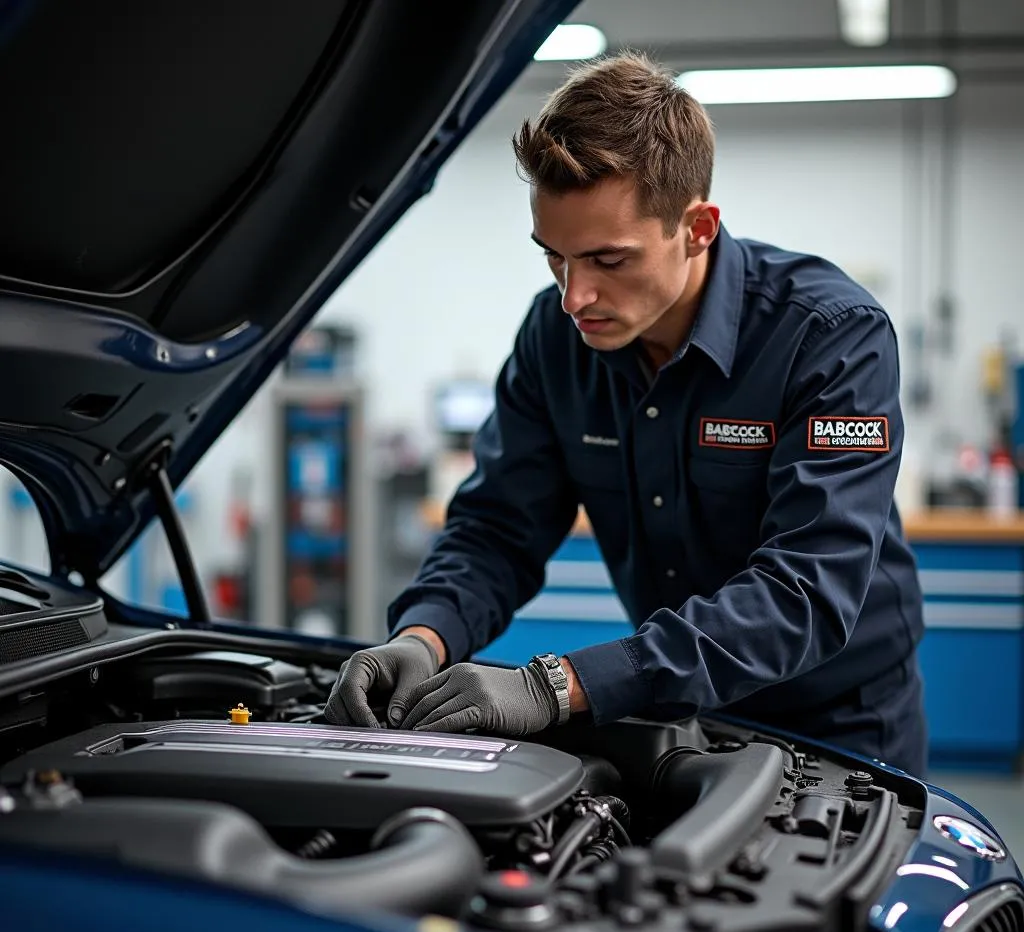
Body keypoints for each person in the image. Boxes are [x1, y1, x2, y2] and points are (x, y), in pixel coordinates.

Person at [325, 51, 928, 777]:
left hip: (842, 723)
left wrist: (556, 687)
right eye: (555, 258)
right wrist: (423, 637)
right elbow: (497, 529)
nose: (574, 296)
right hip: (679, 708)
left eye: (609, 261)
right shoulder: (555, 339)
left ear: (697, 227)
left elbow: (806, 592)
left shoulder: (830, 336)